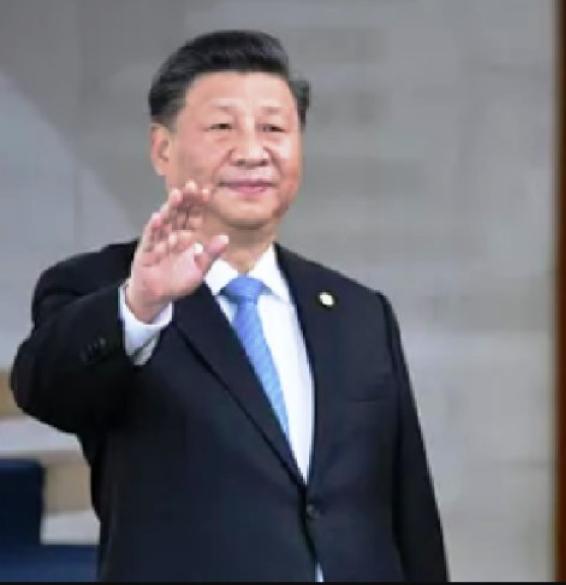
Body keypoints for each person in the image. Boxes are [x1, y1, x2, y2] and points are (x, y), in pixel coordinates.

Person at [11, 30, 447, 581]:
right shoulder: (104, 288)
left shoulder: (359, 312)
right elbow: (46, 390)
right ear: (162, 149)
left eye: (274, 128)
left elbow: (408, 510)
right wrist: (140, 305)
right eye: (222, 128)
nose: (251, 151)